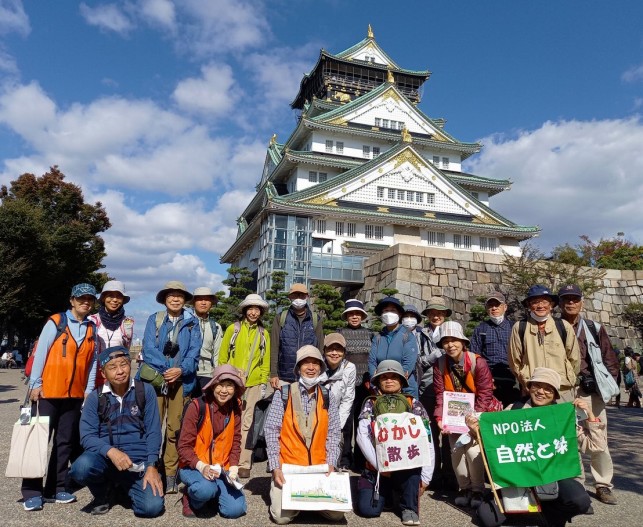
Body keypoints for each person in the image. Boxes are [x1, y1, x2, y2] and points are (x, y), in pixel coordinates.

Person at [467, 367, 599, 527]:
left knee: (580, 501)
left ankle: (551, 513)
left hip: (555, 477)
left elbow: (594, 446)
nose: (541, 392)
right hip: (518, 478)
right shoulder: (513, 410)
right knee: (487, 518)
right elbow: (493, 441)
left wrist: (590, 415)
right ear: (528, 388)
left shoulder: (562, 416)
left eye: (548, 388)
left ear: (556, 394)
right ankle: (517, 505)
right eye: (536, 386)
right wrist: (476, 432)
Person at [22, 283, 98, 511]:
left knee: (64, 443)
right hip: (47, 392)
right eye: (81, 298)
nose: (85, 302)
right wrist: (35, 384)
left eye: (89, 299)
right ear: (72, 300)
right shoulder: (55, 322)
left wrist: (89, 388)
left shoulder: (91, 328)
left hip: (74, 395)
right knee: (37, 442)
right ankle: (32, 491)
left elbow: (92, 361)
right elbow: (41, 352)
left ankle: (56, 488)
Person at [69, 346, 164, 517]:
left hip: (137, 465)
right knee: (80, 468)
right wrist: (111, 452)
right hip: (106, 462)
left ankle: (122, 491)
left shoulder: (145, 391)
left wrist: (152, 465)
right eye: (113, 367)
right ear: (103, 373)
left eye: (124, 364)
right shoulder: (95, 398)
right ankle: (104, 492)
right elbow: (87, 436)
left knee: (152, 508)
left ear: (130, 365)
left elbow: (154, 432)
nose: (120, 371)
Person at [264, 345, 344, 525]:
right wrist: (275, 467)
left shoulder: (327, 396)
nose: (311, 367)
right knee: (281, 517)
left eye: (315, 363)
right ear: (298, 368)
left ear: (321, 368)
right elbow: (271, 430)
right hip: (290, 469)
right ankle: (299, 502)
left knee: (337, 513)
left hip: (319, 469)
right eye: (305, 363)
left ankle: (306, 501)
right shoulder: (283, 394)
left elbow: (333, 433)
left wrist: (331, 463)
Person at [558, 284, 619, 505]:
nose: (571, 303)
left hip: (591, 391)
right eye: (566, 299)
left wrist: (608, 387)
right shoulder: (555, 327)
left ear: (582, 302)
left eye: (575, 299)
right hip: (564, 389)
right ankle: (577, 484)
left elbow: (609, 357)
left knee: (598, 437)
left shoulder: (593, 327)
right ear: (560, 303)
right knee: (570, 437)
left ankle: (603, 484)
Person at [137, 280, 201, 494]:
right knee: (152, 426)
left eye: (179, 296)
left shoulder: (192, 323)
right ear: (165, 299)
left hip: (181, 382)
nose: (175, 299)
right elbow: (148, 349)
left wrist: (181, 370)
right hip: (156, 381)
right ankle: (151, 467)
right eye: (171, 295)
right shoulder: (154, 320)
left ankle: (171, 473)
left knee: (175, 428)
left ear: (184, 300)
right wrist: (167, 369)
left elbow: (194, 352)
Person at [356, 360, 434, 526]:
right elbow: (361, 437)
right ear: (378, 381)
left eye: (394, 377)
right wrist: (379, 465)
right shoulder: (371, 403)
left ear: (402, 381)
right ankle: (390, 495)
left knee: (411, 473)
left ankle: (408, 506)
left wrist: (426, 477)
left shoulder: (414, 404)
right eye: (384, 377)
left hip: (406, 468)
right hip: (377, 468)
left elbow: (427, 440)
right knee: (368, 510)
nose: (389, 380)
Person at [433, 321, 494, 509]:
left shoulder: (478, 362)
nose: (450, 345)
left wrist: (476, 417)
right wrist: (439, 418)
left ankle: (478, 490)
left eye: (454, 340)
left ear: (462, 341)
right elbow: (440, 393)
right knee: (456, 452)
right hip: (453, 416)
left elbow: (485, 392)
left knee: (473, 451)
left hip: (477, 414)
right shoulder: (440, 363)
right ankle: (464, 489)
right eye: (446, 341)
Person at [177, 365, 247, 519]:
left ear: (235, 389)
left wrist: (234, 468)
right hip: (194, 465)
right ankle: (191, 498)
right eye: (220, 384)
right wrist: (202, 467)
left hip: (222, 468)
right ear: (213, 385)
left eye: (229, 386)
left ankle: (215, 494)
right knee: (205, 490)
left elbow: (236, 440)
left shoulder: (235, 408)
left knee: (235, 509)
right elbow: (183, 447)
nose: (224, 390)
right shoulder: (197, 406)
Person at [218, 293, 271, 479]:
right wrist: (223, 379)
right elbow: (223, 356)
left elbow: (265, 362)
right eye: (251, 308)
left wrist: (263, 382)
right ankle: (225, 458)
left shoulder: (264, 333)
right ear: (245, 310)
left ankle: (244, 462)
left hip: (254, 383)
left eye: (257, 309)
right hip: (232, 381)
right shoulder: (233, 329)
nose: (254, 312)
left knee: (248, 423)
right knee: (228, 418)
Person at [508, 285, 580, 402]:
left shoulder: (563, 326)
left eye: (544, 302)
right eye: (535, 302)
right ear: (529, 306)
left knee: (561, 420)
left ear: (551, 305)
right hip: (532, 390)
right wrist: (525, 380)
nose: (540, 306)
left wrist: (568, 379)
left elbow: (574, 359)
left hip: (561, 389)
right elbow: (514, 360)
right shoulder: (520, 327)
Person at [418, 296, 452, 489]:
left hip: (449, 388)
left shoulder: (452, 331)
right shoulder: (420, 334)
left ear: (445, 315)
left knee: (448, 432)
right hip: (427, 386)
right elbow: (418, 360)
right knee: (430, 432)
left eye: (439, 313)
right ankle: (433, 473)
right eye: (432, 313)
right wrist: (431, 357)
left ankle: (449, 473)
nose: (436, 316)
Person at [337, 298, 373, 470]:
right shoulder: (340, 333)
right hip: (346, 384)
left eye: (357, 314)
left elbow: (373, 358)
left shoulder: (371, 334)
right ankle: (344, 458)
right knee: (345, 423)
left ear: (362, 316)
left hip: (365, 385)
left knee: (362, 423)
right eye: (351, 314)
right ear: (346, 316)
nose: (354, 317)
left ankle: (361, 460)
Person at [269, 283, 324, 389]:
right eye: (295, 295)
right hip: (284, 376)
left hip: (309, 376)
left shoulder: (315, 319)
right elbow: (274, 347)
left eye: (301, 295)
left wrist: (320, 372)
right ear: (290, 297)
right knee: (285, 405)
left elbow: (320, 348)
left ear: (307, 296)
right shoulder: (281, 318)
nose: (298, 298)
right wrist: (273, 374)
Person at [470, 292, 519, 407]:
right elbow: (475, 357)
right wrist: (483, 378)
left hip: (512, 378)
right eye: (490, 305)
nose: (494, 308)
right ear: (486, 309)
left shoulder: (514, 327)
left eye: (497, 305)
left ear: (505, 307)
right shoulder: (481, 329)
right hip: (488, 379)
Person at [319, 333, 356, 470]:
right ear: (324, 351)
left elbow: (348, 398)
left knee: (335, 443)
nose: (334, 353)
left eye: (339, 349)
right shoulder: (316, 365)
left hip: (337, 410)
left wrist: (337, 424)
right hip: (316, 412)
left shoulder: (350, 368)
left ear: (344, 352)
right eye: (330, 349)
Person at [369, 297, 419, 398]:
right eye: (386, 311)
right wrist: (376, 379)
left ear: (399, 314)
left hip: (405, 387)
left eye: (392, 310)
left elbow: (409, 362)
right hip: (382, 386)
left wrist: (397, 381)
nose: (389, 313)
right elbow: (372, 361)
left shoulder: (407, 335)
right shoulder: (378, 337)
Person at [88, 280, 134, 388]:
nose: (114, 300)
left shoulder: (128, 322)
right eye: (110, 296)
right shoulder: (92, 320)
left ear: (123, 300)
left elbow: (126, 348)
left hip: (118, 376)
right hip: (94, 374)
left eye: (118, 296)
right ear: (103, 298)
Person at [191, 287, 223, 393]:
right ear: (194, 302)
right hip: (187, 373)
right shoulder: (185, 323)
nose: (203, 303)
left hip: (208, 374)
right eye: (200, 299)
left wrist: (218, 375)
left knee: (205, 407)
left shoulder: (216, 327)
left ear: (211, 303)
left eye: (207, 299)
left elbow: (218, 353)